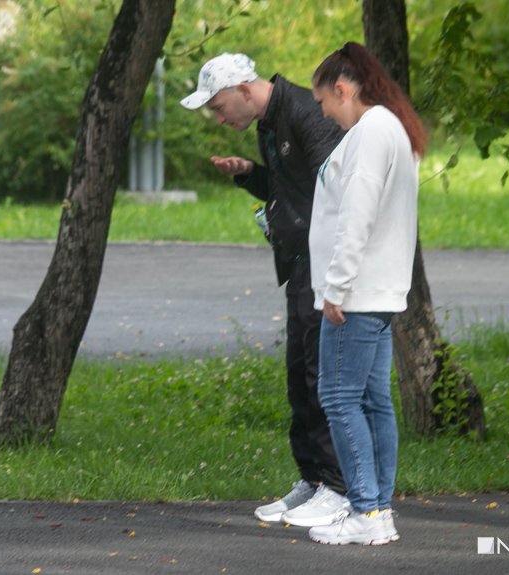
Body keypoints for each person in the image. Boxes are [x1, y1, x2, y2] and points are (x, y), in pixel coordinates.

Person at [180, 53, 351, 525]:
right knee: (300, 375)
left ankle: (339, 488)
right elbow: (288, 188)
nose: (218, 117)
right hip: (299, 263)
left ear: (243, 89)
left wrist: (339, 273)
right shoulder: (268, 122)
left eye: (217, 107)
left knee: (322, 376)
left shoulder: (302, 110)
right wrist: (249, 176)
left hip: (326, 265)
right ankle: (314, 479)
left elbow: (339, 189)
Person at [305, 41, 427, 545]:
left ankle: (366, 513)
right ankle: (379, 512)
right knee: (374, 402)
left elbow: (357, 216)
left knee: (338, 397)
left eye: (323, 103)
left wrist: (335, 287)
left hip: (355, 294)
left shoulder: (370, 133)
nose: (326, 114)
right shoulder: (392, 128)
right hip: (378, 290)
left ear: (341, 89)